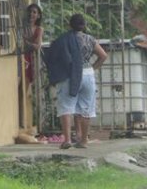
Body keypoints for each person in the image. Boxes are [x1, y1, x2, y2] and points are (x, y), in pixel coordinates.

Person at [44, 13, 108, 149]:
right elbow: (103, 55)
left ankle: (67, 140)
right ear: (84, 26)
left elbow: (53, 58)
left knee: (66, 107)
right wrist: (92, 68)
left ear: (69, 25)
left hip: (69, 75)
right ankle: (83, 140)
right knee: (85, 109)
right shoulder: (90, 39)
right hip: (87, 75)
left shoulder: (63, 40)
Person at [23, 4, 44, 87]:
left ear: (38, 15)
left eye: (34, 12)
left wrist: (26, 43)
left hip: (31, 59)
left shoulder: (39, 29)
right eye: (30, 11)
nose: (31, 14)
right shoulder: (22, 27)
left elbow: (37, 46)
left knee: (26, 85)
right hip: (21, 57)